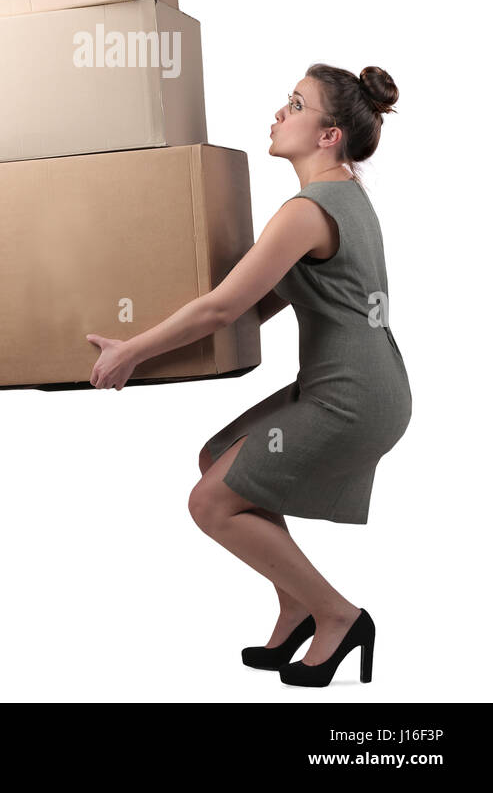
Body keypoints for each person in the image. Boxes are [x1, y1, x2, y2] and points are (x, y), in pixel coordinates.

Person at [86, 63, 412, 687]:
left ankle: (339, 616)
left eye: (296, 104)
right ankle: (295, 606)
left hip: (351, 398)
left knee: (211, 502)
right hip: (356, 386)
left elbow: (223, 308)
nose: (279, 112)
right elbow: (267, 299)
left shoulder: (307, 210)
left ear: (329, 135)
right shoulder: (343, 195)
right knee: (218, 460)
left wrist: (135, 351)